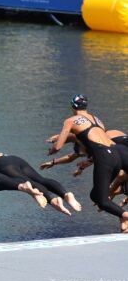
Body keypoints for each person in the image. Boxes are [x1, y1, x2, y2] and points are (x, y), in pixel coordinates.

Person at [49, 94, 128, 232]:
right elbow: (93, 138)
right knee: (95, 195)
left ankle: (125, 216)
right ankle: (122, 217)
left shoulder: (70, 120)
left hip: (105, 156)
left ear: (72, 106)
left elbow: (58, 147)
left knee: (101, 200)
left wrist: (52, 149)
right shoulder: (97, 120)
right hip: (118, 151)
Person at [0, 152, 82, 215]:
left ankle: (52, 200)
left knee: (28, 183)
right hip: (14, 159)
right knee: (40, 179)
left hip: (3, 165)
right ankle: (66, 194)